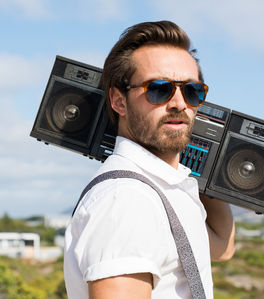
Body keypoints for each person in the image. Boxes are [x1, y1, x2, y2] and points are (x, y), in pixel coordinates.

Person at [64, 20, 235, 299]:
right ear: (119, 101)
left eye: (191, 91)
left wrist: (209, 160)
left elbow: (222, 247)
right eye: (159, 89)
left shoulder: (161, 188)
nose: (179, 103)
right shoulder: (129, 199)